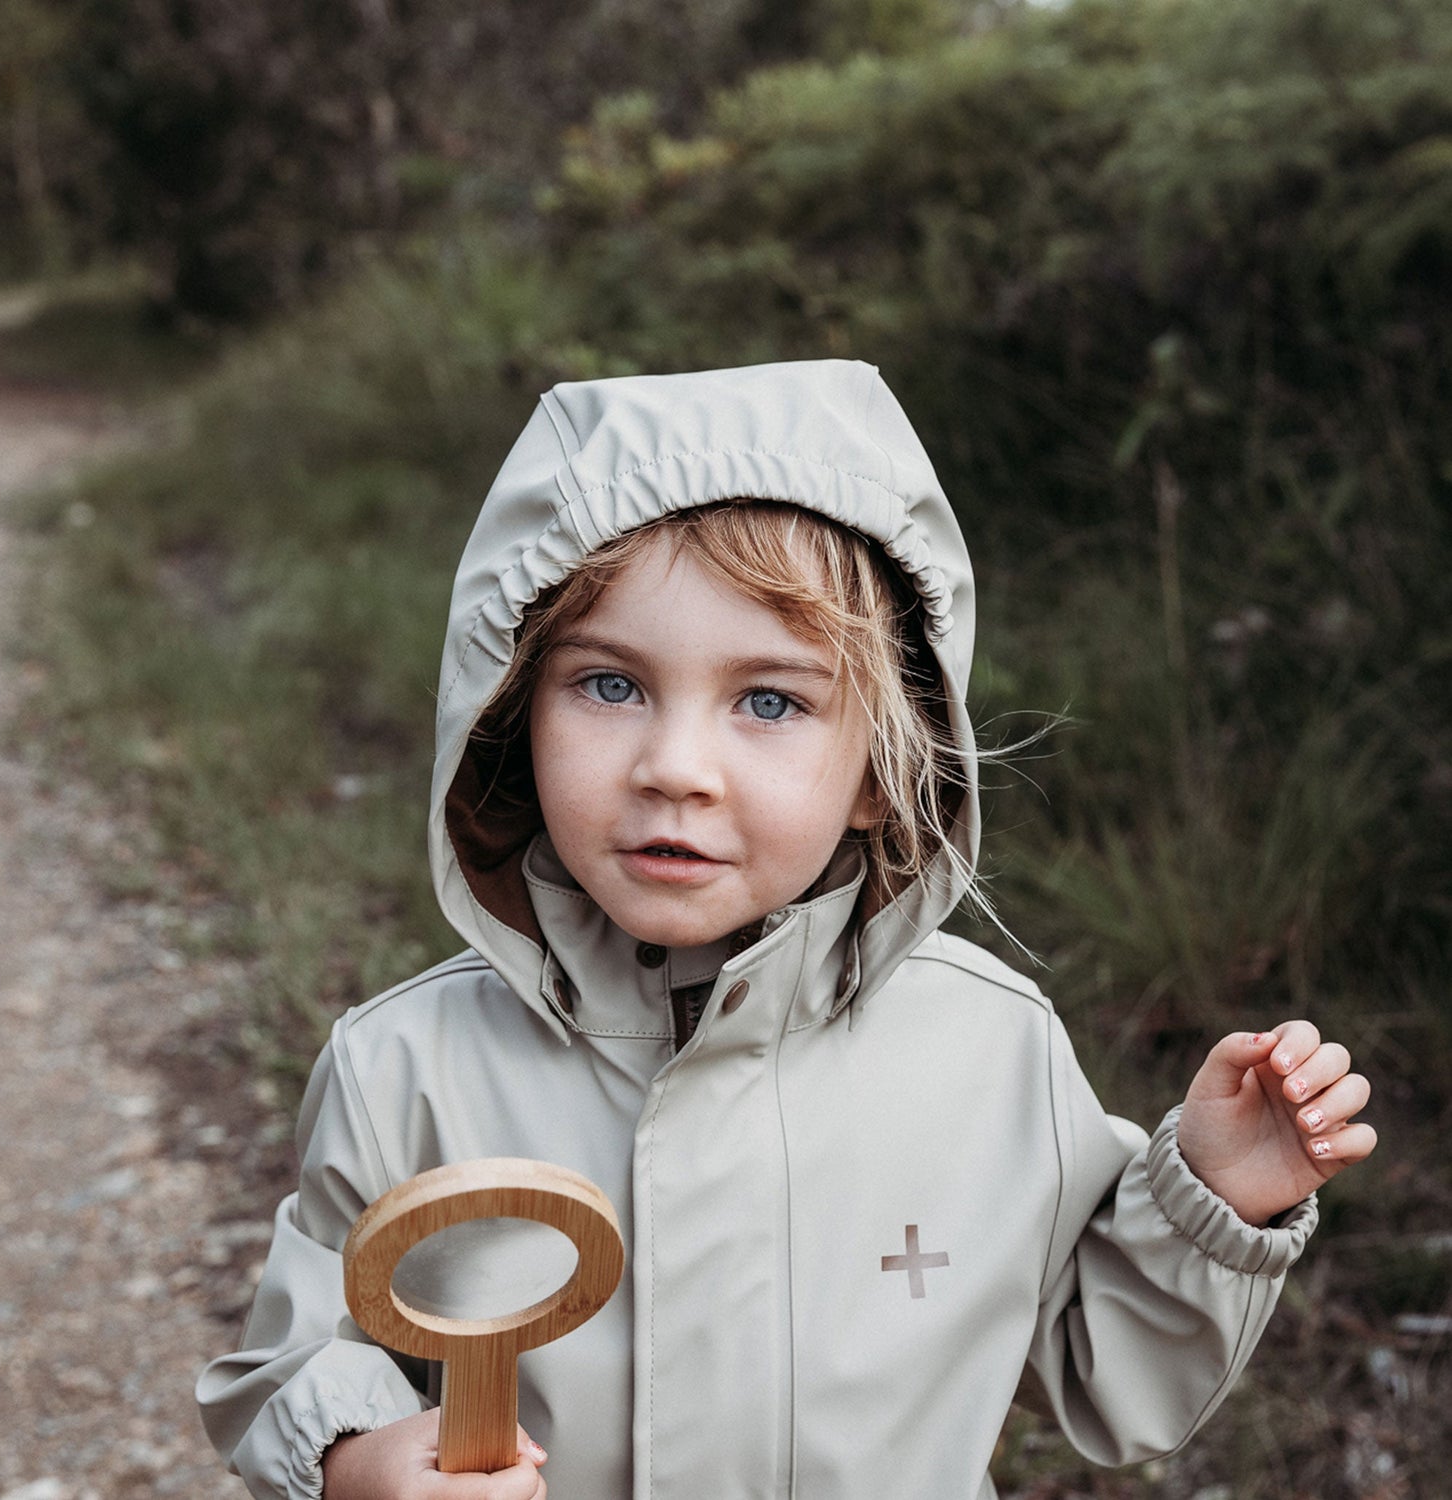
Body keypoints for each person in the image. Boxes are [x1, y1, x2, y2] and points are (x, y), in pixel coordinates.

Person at [197, 360, 1376, 1500]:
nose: (675, 768)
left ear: (880, 767)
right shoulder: (409, 1065)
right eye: (609, 684)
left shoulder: (989, 1052)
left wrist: (1215, 1205)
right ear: (513, 708)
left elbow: (1105, 1380)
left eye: (769, 702)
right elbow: (299, 1357)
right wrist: (355, 1458)